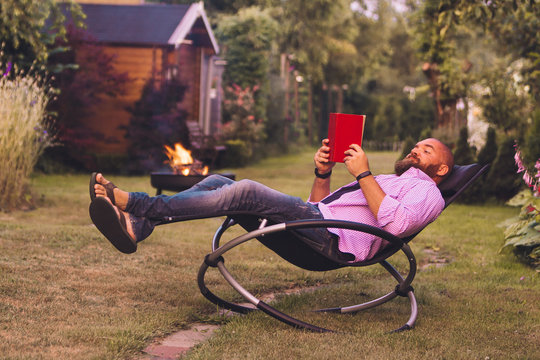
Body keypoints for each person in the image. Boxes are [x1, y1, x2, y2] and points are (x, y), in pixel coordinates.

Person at [89, 138, 454, 261]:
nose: (416, 150)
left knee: (245, 189)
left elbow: (396, 223)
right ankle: (138, 226)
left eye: (426, 150)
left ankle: (137, 206)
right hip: (319, 221)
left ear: (441, 170)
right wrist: (323, 173)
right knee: (218, 180)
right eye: (417, 145)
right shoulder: (394, 179)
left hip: (333, 242)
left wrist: (362, 174)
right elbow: (320, 205)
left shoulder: (427, 192)